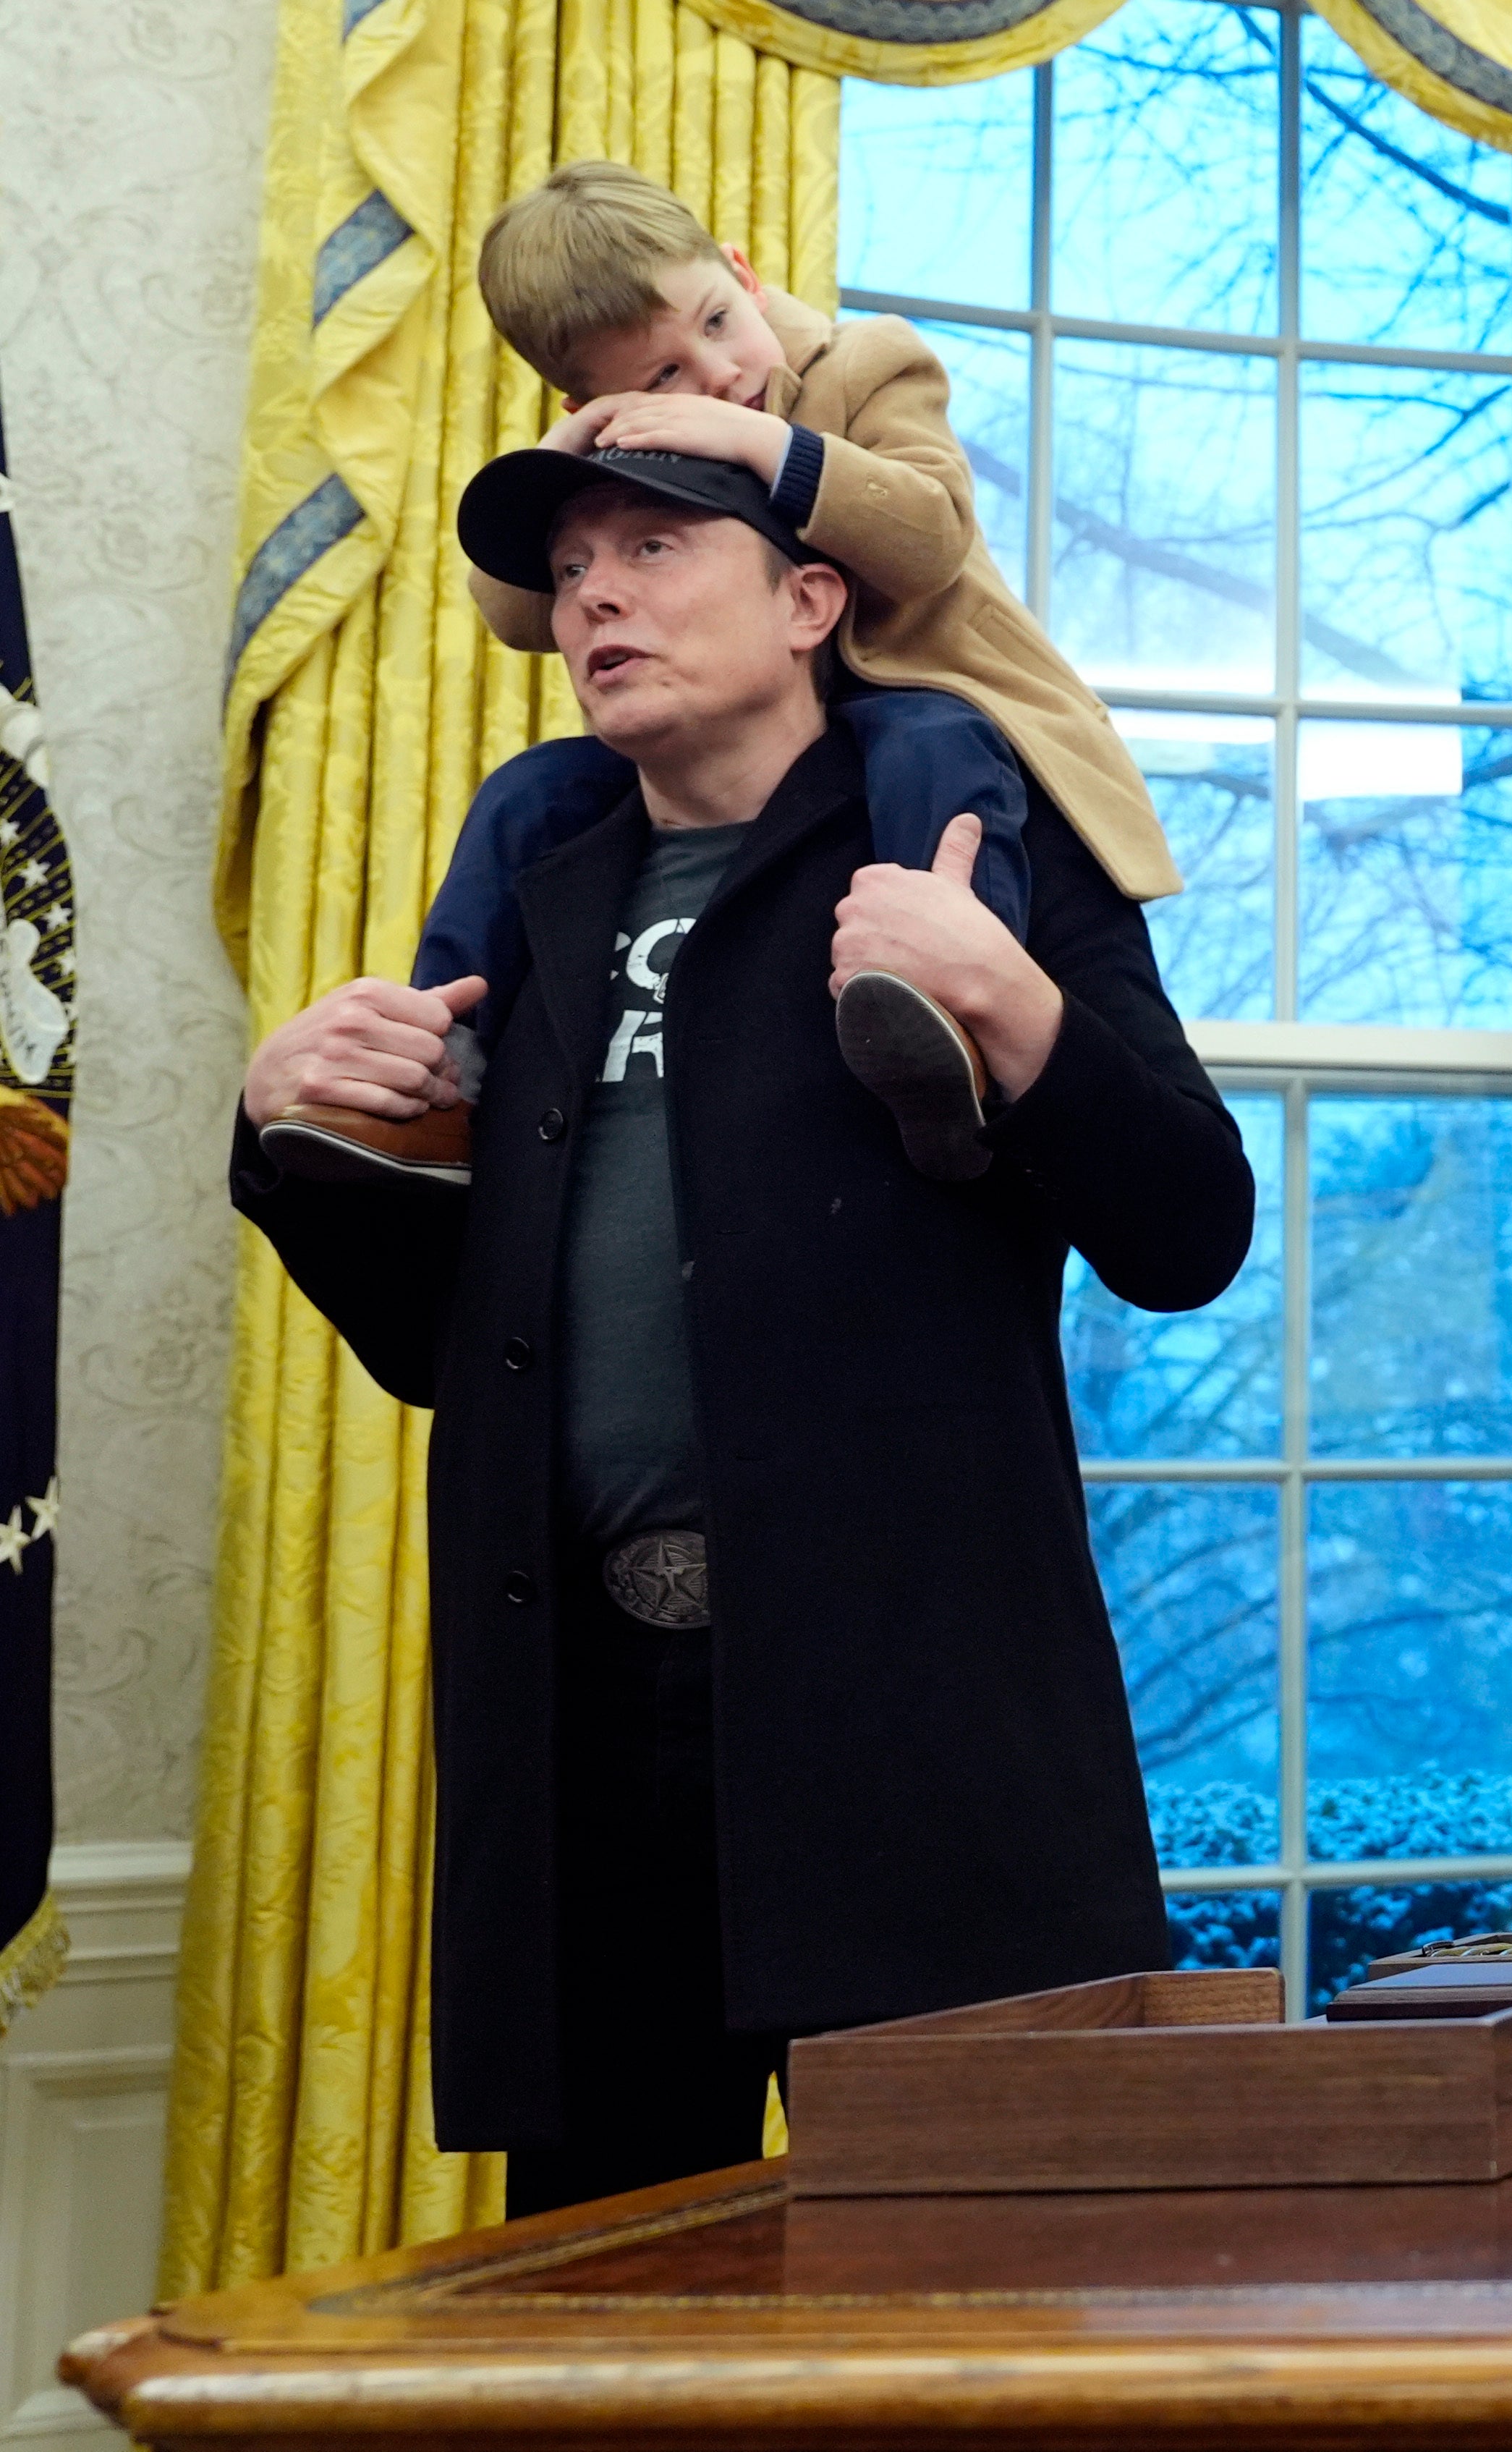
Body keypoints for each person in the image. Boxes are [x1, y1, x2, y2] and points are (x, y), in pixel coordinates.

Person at [231, 442, 1250, 2213]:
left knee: (976, 2327)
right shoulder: (534, 900)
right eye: (568, 571)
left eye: (650, 545)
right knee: (611, 2343)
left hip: (915, 1734)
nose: (595, 595)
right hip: (586, 1743)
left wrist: (1013, 1001)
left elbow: (1188, 1232)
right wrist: (280, 1137)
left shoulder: (960, 848)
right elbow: (442, 1351)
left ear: (808, 603)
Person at [252, 159, 1181, 1192]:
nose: (717, 372)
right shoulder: (635, 449)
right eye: (658, 377)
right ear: (598, 396)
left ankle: (949, 1020)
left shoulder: (866, 365)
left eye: (716, 320)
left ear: (741, 271)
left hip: (937, 700)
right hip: (795, 730)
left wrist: (759, 441)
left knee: (931, 741)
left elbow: (928, 536)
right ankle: (443, 1081)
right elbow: (519, 612)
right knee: (529, 790)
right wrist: (569, 456)